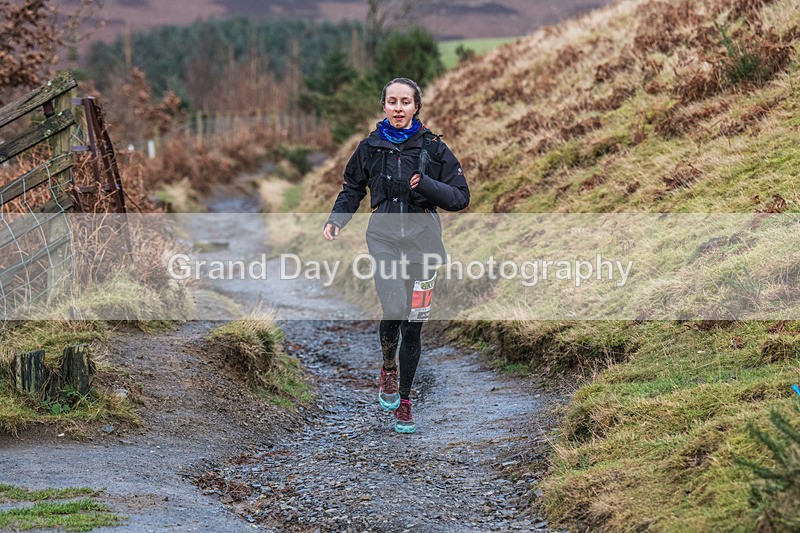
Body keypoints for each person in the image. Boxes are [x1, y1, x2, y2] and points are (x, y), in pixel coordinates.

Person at [323, 77, 470, 434]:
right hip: (384, 238)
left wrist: (427, 185)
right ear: (384, 106)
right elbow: (353, 188)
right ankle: (388, 366)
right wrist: (337, 220)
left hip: (424, 244)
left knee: (414, 324)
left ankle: (405, 400)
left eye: (406, 101)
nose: (399, 107)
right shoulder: (370, 147)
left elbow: (460, 197)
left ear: (416, 107)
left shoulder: (434, 148)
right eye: (393, 101)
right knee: (393, 309)